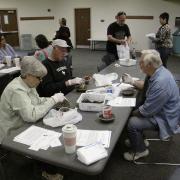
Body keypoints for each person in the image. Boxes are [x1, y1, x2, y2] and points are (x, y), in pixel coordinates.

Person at [122, 49, 180, 161]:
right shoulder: (158, 71)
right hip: (162, 110)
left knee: (132, 122)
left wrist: (130, 114)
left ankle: (140, 150)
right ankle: (138, 140)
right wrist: (132, 82)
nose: (139, 63)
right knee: (136, 107)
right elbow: (147, 86)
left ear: (149, 65)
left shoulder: (161, 83)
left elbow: (146, 111)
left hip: (166, 118)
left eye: (141, 62)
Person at [0, 56, 65, 143]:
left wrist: (52, 99)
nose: (41, 80)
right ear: (28, 75)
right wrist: (53, 100)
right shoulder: (16, 90)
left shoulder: (28, 83)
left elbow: (37, 101)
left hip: (24, 127)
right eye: (39, 77)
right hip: (12, 135)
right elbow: (31, 116)